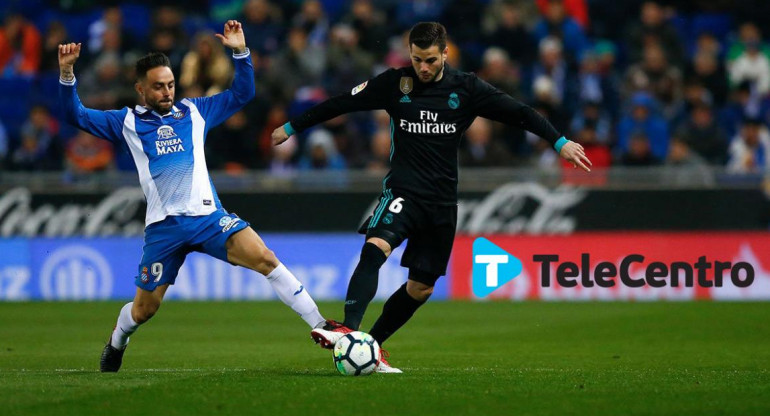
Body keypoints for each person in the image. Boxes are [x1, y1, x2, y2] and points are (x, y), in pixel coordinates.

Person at [271, 22, 591, 373]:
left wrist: (560, 142)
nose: (423, 67)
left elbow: (520, 112)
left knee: (420, 288)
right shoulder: (396, 83)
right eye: (417, 59)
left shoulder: (466, 88)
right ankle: (349, 328)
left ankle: (371, 346)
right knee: (376, 245)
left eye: (430, 60)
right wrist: (291, 127)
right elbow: (341, 103)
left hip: (441, 204)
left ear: (444, 54)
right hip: (403, 192)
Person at [58, 20, 327, 373]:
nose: (167, 92)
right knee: (144, 310)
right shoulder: (126, 122)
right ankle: (117, 340)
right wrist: (66, 74)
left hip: (209, 219)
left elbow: (242, 95)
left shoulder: (195, 111)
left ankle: (323, 326)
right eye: (158, 87)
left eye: (170, 85)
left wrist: (241, 53)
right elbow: (74, 115)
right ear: (141, 90)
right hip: (164, 228)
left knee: (265, 257)